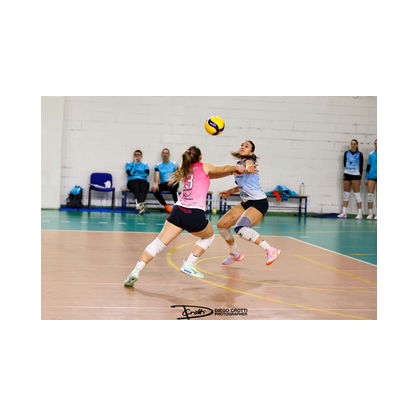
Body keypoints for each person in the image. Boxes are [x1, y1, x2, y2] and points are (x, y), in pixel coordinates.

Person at [124, 145, 254, 287]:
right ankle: (189, 264)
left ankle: (135, 271)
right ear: (200, 157)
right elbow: (222, 168)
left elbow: (215, 174)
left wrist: (232, 172)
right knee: (209, 237)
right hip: (194, 213)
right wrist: (239, 167)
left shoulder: (186, 169)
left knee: (158, 243)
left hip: (178, 211)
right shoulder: (205, 166)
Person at [217, 140, 281, 266]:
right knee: (221, 225)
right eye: (242, 145)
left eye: (246, 146)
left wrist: (248, 167)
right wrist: (230, 191)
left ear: (251, 152)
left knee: (240, 228)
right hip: (246, 202)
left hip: (259, 203)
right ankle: (235, 253)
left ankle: (271, 250)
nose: (242, 147)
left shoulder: (249, 161)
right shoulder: (238, 165)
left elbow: (248, 166)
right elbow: (242, 185)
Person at [338, 139, 364, 220]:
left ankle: (359, 213)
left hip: (355, 175)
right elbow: (344, 164)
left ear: (357, 145)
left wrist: (360, 177)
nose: (353, 145)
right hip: (347, 174)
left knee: (357, 194)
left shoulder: (360, 154)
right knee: (346, 194)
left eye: (354, 144)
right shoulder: (346, 153)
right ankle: (344, 212)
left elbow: (361, 166)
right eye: (352, 144)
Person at [151, 148, 179, 214]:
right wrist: (156, 184)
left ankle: (177, 208)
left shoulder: (174, 164)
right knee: (154, 189)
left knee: (174, 187)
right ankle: (166, 206)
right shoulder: (158, 165)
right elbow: (157, 175)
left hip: (173, 182)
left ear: (169, 155)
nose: (165, 154)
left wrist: (173, 180)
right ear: (161, 155)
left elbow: (179, 175)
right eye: (163, 153)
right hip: (164, 183)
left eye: (166, 153)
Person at [125, 150, 149, 215]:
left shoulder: (145, 165)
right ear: (134, 156)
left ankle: (140, 205)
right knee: (136, 188)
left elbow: (146, 174)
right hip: (132, 181)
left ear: (141, 156)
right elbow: (130, 173)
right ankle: (140, 206)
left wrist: (135, 174)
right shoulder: (128, 164)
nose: (137, 156)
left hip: (143, 180)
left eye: (138, 155)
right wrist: (135, 163)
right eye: (135, 154)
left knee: (144, 188)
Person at [365, 139, 377, 220]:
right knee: (370, 196)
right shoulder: (371, 154)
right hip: (371, 177)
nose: (376, 145)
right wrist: (366, 178)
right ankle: (370, 214)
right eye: (375, 143)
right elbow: (368, 167)